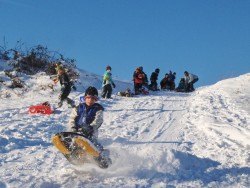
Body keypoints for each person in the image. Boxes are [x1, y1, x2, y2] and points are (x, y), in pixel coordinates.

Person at [68, 86, 109, 168]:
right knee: (74, 143)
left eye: (93, 99)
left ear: (95, 100)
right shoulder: (79, 107)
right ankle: (76, 155)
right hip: (77, 131)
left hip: (91, 132)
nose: (90, 100)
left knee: (94, 144)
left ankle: (103, 157)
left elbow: (98, 120)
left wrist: (91, 127)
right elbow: (72, 118)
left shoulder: (97, 108)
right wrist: (72, 127)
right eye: (88, 98)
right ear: (85, 98)